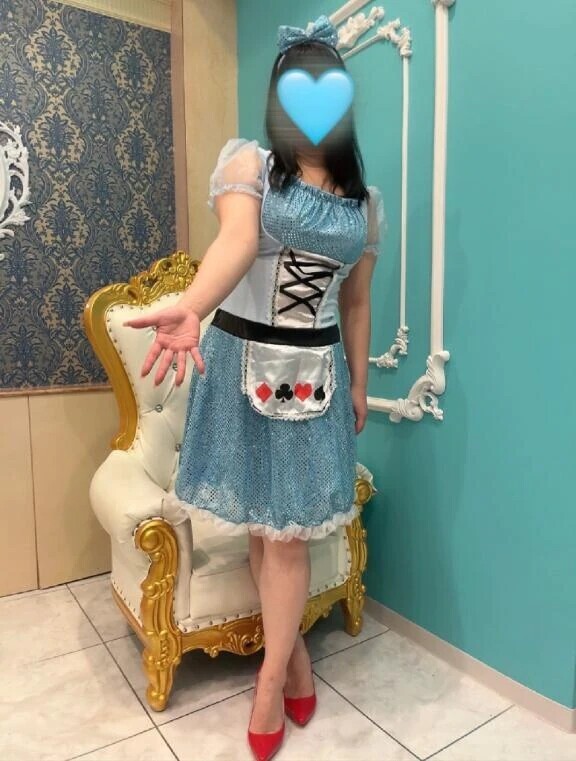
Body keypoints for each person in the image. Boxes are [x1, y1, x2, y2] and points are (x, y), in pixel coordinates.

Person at [124, 14, 384, 761]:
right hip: (241, 365)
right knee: (260, 530)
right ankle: (291, 663)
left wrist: (360, 382)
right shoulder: (250, 165)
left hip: (316, 379)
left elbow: (356, 303)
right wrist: (192, 306)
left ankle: (268, 680)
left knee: (287, 536)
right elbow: (237, 242)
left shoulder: (365, 204)